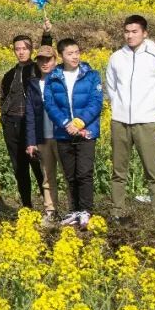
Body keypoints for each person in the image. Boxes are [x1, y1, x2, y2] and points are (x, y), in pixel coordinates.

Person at [105, 14, 155, 230]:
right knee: (118, 171)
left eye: (134, 31)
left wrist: (154, 113)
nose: (129, 35)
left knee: (153, 173)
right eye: (126, 31)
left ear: (145, 33)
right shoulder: (116, 57)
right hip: (120, 122)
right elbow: (110, 87)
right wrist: (119, 108)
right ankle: (116, 212)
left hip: (146, 122)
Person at [43, 39, 103, 229]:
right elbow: (50, 104)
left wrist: (78, 123)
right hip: (63, 132)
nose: (75, 56)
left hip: (86, 132)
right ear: (61, 56)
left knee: (84, 172)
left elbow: (96, 102)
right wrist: (65, 123)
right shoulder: (53, 77)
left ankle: (85, 210)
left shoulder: (91, 75)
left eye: (77, 52)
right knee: (70, 174)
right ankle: (74, 210)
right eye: (70, 53)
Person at [0, 23, 53, 210]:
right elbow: (4, 97)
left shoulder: (36, 69)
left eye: (24, 48)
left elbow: (47, 54)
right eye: (17, 49)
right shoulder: (9, 75)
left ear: (31, 50)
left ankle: (49, 206)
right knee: (19, 168)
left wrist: (46, 35)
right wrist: (3, 118)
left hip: (30, 124)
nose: (21, 52)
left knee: (38, 166)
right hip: (11, 124)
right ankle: (27, 206)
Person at [24, 46, 61, 225]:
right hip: (43, 137)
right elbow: (30, 114)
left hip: (62, 136)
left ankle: (74, 211)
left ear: (55, 60)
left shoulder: (63, 80)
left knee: (70, 176)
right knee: (48, 176)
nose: (45, 63)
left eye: (48, 59)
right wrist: (31, 141)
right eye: (41, 60)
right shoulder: (33, 84)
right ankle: (50, 210)